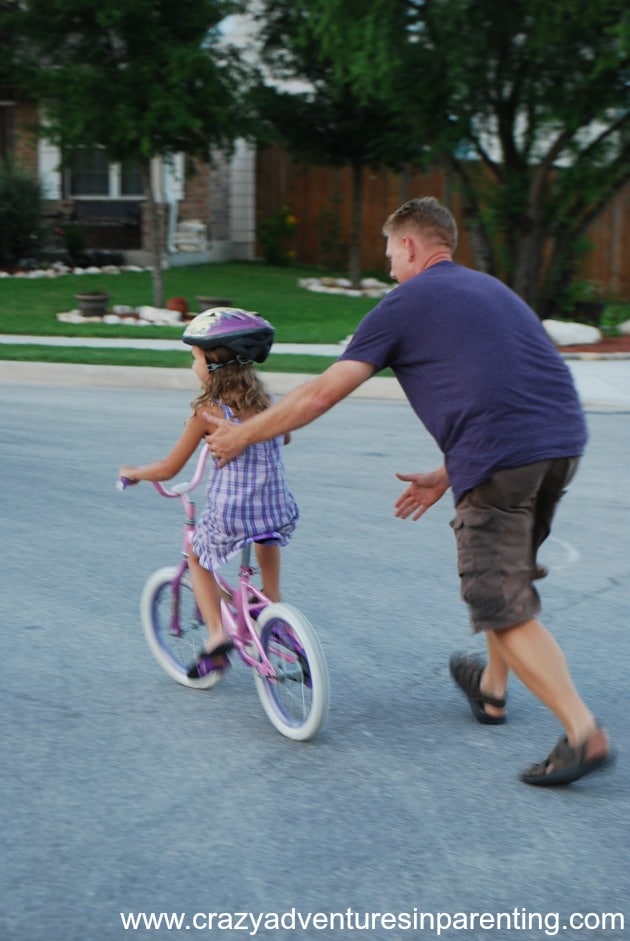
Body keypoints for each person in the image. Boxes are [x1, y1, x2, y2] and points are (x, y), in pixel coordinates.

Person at [206, 196, 614, 786]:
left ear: (413, 247)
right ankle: (493, 691)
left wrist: (243, 437)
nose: (390, 265)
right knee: (512, 576)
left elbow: (320, 395)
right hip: (561, 444)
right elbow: (508, 381)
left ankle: (583, 732)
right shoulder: (492, 291)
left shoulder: (402, 304)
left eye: (391, 251)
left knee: (496, 600)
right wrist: (451, 470)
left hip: (501, 458)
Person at [119, 307, 299, 679]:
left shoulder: (207, 412)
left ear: (214, 365)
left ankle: (217, 637)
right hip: (277, 506)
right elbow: (286, 435)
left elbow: (169, 470)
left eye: (194, 358)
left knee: (198, 556)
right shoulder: (265, 400)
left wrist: (134, 473)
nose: (192, 366)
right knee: (265, 532)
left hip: (232, 512)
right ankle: (273, 596)